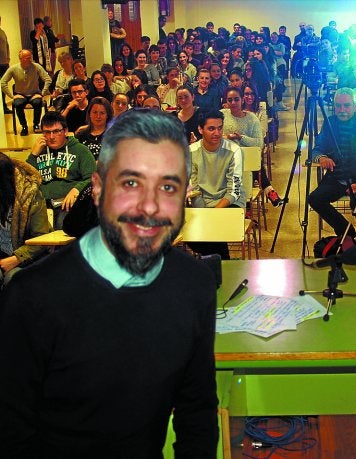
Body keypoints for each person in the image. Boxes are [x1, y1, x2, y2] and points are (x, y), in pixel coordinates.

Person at [0, 109, 219, 457]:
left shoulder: (194, 286)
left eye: (167, 186)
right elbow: (11, 434)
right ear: (99, 188)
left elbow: (198, 412)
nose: (149, 206)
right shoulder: (33, 298)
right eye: (131, 182)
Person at [308, 88, 356, 243]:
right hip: (337, 177)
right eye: (338, 106)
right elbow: (317, 148)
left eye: (346, 105)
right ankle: (345, 230)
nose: (342, 110)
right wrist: (321, 158)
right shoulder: (330, 123)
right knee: (314, 199)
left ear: (355, 105)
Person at [188, 109, 246, 259]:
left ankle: (218, 266)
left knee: (214, 230)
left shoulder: (234, 150)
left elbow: (234, 190)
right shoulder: (191, 152)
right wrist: (205, 214)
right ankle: (223, 265)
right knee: (188, 234)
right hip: (202, 205)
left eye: (220, 128)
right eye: (211, 128)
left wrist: (212, 215)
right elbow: (194, 189)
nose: (217, 133)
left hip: (230, 204)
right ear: (200, 130)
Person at [27, 112, 96, 229]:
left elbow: (93, 177)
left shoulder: (80, 151)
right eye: (47, 132)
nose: (51, 136)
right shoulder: (39, 151)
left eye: (56, 131)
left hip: (68, 204)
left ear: (65, 131)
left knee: (62, 226)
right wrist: (33, 155)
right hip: (43, 205)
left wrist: (77, 189)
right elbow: (25, 178)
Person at [222, 85, 283, 207]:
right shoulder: (222, 115)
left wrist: (241, 137)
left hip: (246, 159)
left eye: (236, 99)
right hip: (225, 158)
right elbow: (216, 136)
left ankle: (247, 209)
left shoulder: (252, 118)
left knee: (249, 163)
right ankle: (269, 191)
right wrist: (227, 137)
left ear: (242, 100)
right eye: (230, 100)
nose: (233, 103)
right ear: (225, 101)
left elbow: (259, 143)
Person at [0, 152, 51, 287]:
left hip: (26, 258)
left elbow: (42, 239)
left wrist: (17, 258)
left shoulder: (30, 194)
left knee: (13, 279)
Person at [0, 49, 51, 136]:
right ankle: (24, 126)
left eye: (30, 57)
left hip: (35, 93)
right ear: (21, 59)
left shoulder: (36, 66)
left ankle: (36, 124)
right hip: (20, 94)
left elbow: (48, 79)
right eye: (27, 58)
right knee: (18, 104)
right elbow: (3, 82)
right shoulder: (13, 68)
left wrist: (42, 93)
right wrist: (11, 96)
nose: (30, 59)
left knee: (37, 102)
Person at [0, 16, 10, 113]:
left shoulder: (2, 32)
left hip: (4, 63)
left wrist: (8, 58)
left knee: (3, 85)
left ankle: (4, 106)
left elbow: (7, 46)